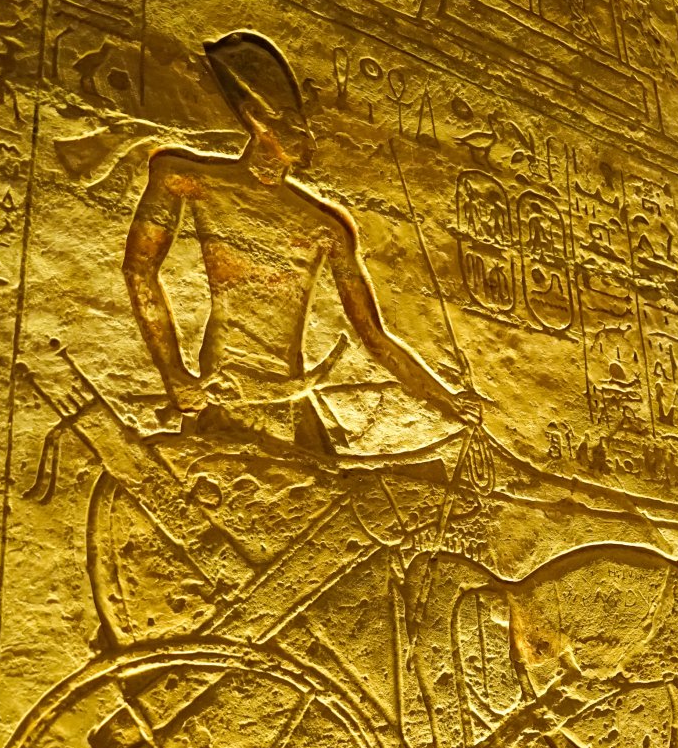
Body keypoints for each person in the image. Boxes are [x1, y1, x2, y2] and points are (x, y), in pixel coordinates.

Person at [122, 31, 473, 450]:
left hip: (294, 398)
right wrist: (173, 374)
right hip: (225, 393)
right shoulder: (187, 178)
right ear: (256, 117)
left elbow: (373, 336)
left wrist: (447, 400)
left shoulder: (326, 227)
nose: (308, 138)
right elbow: (139, 269)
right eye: (294, 123)